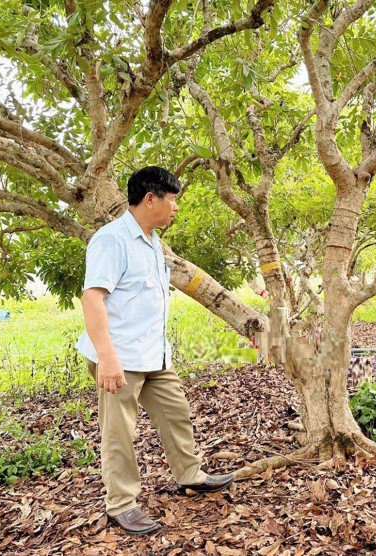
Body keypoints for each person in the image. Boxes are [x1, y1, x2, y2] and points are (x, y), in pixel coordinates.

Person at [77, 166, 234, 536]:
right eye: (172, 198)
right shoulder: (111, 240)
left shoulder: (151, 240)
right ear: (151, 199)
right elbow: (92, 298)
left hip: (153, 355)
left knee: (176, 413)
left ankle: (190, 474)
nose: (176, 207)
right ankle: (121, 504)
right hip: (119, 356)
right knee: (119, 433)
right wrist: (108, 358)